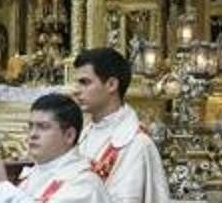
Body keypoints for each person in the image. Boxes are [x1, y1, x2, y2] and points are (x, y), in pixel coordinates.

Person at [0, 93, 112, 203]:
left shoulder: (84, 184)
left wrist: (2, 185)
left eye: (43, 127)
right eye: (31, 126)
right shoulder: (30, 175)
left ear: (69, 135)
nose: (33, 134)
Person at [72, 48, 170, 203]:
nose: (76, 91)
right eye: (76, 83)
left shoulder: (137, 145)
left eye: (85, 82)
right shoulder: (84, 135)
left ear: (111, 85)